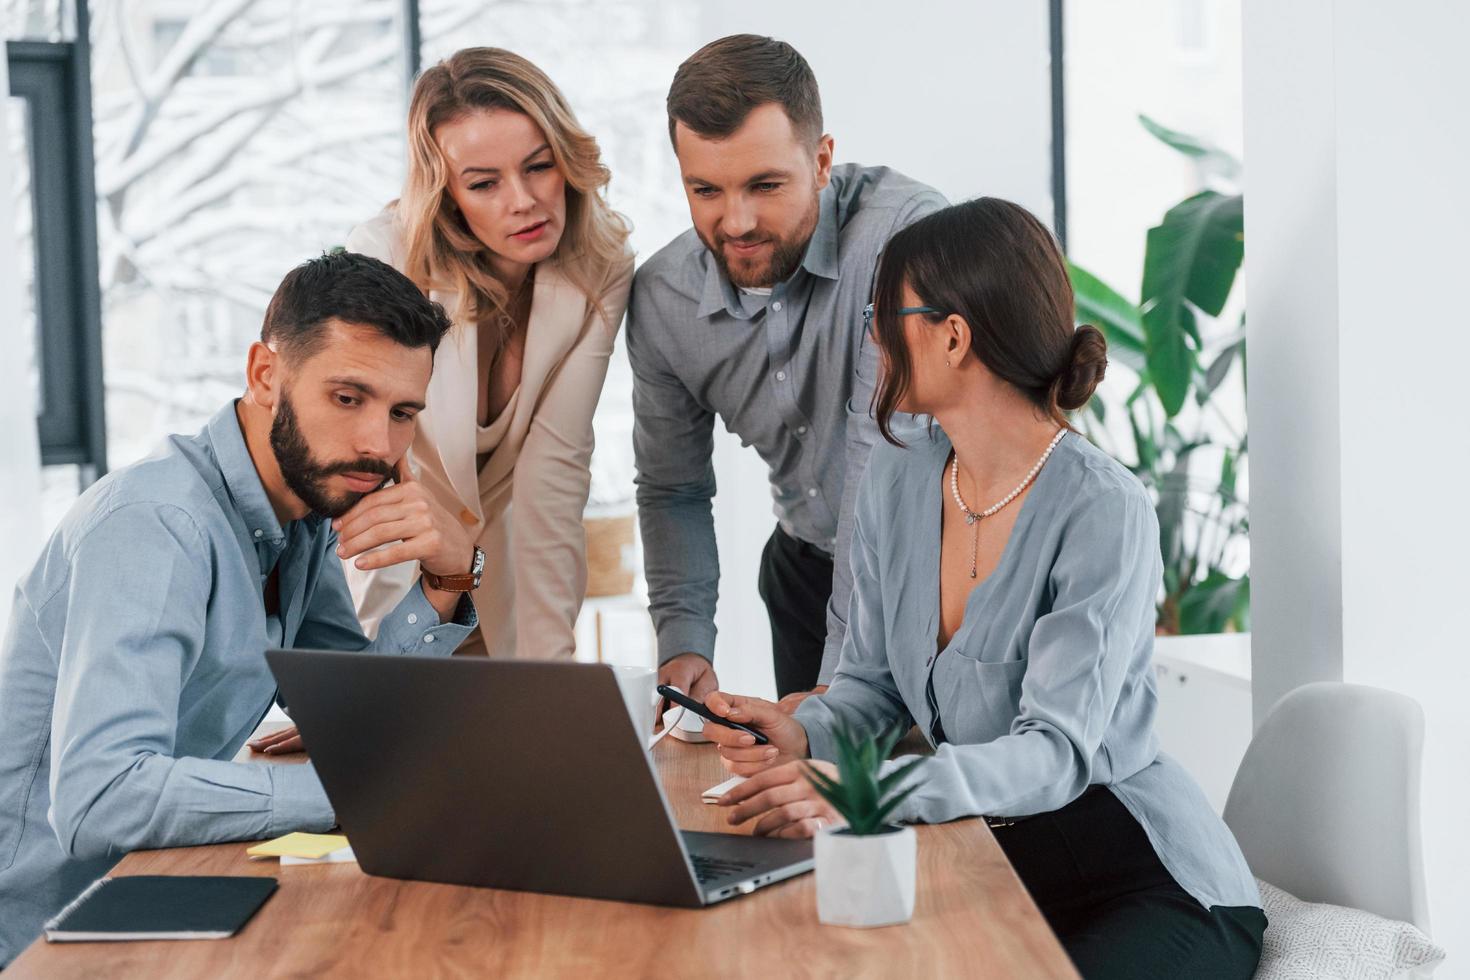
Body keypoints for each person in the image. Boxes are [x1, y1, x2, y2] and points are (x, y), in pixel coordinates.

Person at [699, 200, 1266, 977]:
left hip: (1140, 875)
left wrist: (871, 792)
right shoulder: (898, 480)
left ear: (953, 335)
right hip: (992, 855)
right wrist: (800, 734)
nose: (871, 335)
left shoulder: (1103, 508)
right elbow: (872, 688)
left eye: (881, 313)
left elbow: (1056, 752)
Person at [0, 252, 481, 965]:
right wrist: (364, 794)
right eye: (348, 398)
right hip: (41, 935)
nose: (379, 445)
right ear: (265, 375)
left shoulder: (301, 518)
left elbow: (349, 718)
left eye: (401, 412)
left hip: (154, 893)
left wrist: (443, 582)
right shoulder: (158, 524)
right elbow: (101, 797)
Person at [629, 34, 946, 705]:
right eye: (705, 190)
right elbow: (672, 487)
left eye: (764, 185)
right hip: (804, 575)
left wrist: (839, 687)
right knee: (814, 804)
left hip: (938, 574)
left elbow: (880, 462)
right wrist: (683, 641)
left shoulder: (905, 240)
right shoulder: (663, 299)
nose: (735, 221)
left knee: (946, 800)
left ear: (823, 159)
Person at [344, 47, 634, 660]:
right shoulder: (386, 259)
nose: (524, 200)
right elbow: (370, 473)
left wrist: (551, 673)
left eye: (539, 166)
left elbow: (553, 472)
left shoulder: (602, 267)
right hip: (388, 568)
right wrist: (374, 673)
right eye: (484, 183)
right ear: (448, 194)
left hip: (503, 573)